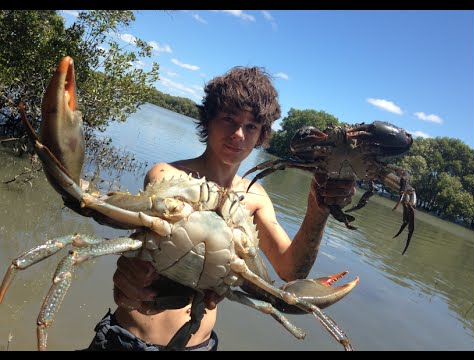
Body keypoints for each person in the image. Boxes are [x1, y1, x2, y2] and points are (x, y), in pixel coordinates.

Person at [85, 66, 356, 351]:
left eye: (251, 126)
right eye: (229, 119)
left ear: (261, 134)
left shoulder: (255, 198)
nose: (238, 134)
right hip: (125, 339)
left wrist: (318, 208)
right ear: (209, 120)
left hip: (200, 347)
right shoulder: (167, 177)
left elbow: (291, 274)